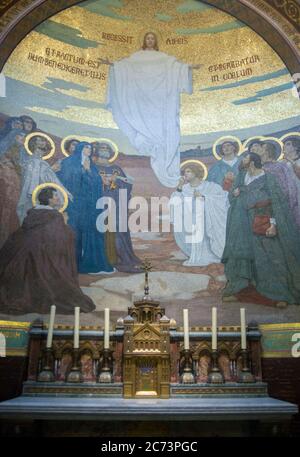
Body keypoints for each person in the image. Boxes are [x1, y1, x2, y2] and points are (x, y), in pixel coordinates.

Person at [102, 32, 203, 187]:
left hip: (161, 102)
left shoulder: (164, 58)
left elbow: (176, 67)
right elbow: (125, 66)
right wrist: (113, 65)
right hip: (142, 101)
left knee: (164, 132)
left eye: (152, 38)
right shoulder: (136, 57)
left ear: (155, 41)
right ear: (144, 41)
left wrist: (188, 67)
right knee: (146, 131)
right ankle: (155, 149)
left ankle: (166, 165)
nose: (150, 40)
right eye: (147, 38)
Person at [0, 187, 95, 314]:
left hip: (23, 252)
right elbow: (61, 238)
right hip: (42, 255)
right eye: (55, 196)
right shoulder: (55, 216)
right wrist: (66, 223)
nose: (58, 198)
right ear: (49, 199)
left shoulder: (32, 213)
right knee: (54, 269)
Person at [222, 152, 300, 308]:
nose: (242, 161)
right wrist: (235, 193)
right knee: (241, 258)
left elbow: (276, 203)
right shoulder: (242, 175)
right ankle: (240, 292)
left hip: (262, 220)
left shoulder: (268, 178)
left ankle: (279, 295)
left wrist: (273, 224)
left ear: (252, 162)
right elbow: (232, 197)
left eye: (244, 158)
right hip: (242, 224)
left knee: (270, 257)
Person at [57, 141, 113, 274]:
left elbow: (96, 183)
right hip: (74, 204)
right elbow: (64, 180)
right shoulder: (68, 162)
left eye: (91, 148)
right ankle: (72, 264)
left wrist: (88, 170)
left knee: (91, 232)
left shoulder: (91, 165)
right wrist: (83, 171)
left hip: (89, 204)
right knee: (74, 233)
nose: (90, 150)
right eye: (87, 147)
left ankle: (90, 262)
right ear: (80, 149)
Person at [92, 142, 141, 272]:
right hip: (99, 203)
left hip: (116, 202)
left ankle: (123, 258)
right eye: (102, 148)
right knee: (102, 230)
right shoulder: (93, 167)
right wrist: (101, 181)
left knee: (119, 230)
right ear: (97, 151)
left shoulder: (117, 168)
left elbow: (127, 185)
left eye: (107, 149)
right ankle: (107, 259)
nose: (105, 150)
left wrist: (115, 181)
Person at [170, 164, 229, 266]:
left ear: (196, 172)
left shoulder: (210, 186)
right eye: (184, 172)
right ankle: (196, 255)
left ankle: (210, 255)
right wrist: (179, 187)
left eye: (188, 171)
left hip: (207, 220)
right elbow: (175, 202)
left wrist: (204, 196)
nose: (185, 174)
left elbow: (222, 198)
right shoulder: (184, 188)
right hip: (191, 221)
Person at [17, 135, 69, 223]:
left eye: (44, 141)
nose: (44, 142)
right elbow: (33, 183)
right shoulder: (33, 162)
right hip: (34, 198)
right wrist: (51, 169)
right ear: (34, 145)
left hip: (41, 197)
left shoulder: (42, 163)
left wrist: (52, 170)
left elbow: (46, 179)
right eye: (40, 141)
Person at [259, 141, 300, 228]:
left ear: (268, 151)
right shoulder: (261, 169)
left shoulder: (281, 166)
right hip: (271, 207)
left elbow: (291, 186)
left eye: (262, 149)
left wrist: (290, 203)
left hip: (287, 204)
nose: (259, 151)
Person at [0, 129, 26, 248]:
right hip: (6, 186)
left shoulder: (22, 152)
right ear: (14, 137)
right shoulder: (7, 151)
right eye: (20, 137)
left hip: (15, 188)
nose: (22, 139)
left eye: (24, 137)